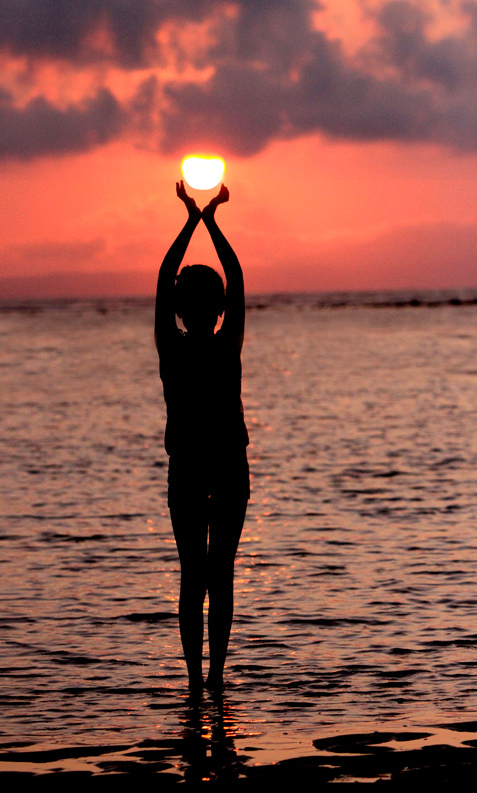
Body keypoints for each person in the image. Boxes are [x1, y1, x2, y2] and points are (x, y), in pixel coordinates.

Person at [155, 181, 249, 694]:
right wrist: (205, 220)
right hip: (200, 468)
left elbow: (222, 280)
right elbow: (232, 278)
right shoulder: (200, 344)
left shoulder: (180, 345)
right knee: (211, 574)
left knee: (203, 574)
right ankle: (205, 678)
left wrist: (197, 220)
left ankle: (204, 679)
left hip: (217, 468)